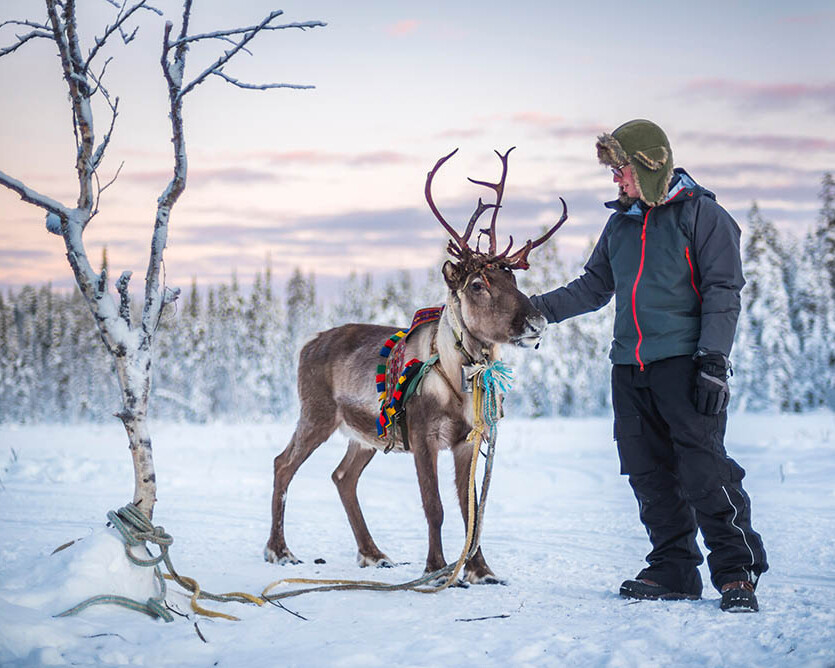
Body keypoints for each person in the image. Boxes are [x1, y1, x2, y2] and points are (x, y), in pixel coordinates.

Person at [530, 119, 768, 612]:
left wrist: (713, 360)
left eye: (622, 168)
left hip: (685, 363)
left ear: (649, 164)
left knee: (705, 469)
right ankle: (674, 568)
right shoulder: (620, 224)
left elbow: (724, 291)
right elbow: (594, 287)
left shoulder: (703, 216)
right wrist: (533, 312)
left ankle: (736, 570)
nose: (615, 179)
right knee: (647, 472)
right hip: (629, 367)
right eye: (613, 170)